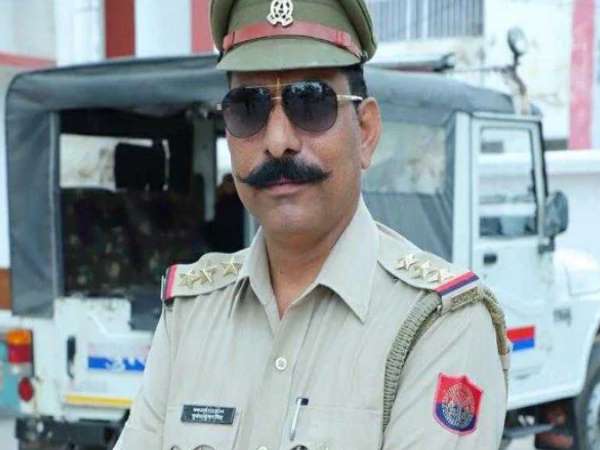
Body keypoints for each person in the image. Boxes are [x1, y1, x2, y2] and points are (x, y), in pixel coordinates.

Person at [114, 0, 510, 449]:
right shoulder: (191, 313)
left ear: (365, 131)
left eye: (311, 102)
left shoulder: (438, 325)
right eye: (248, 108)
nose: (278, 141)